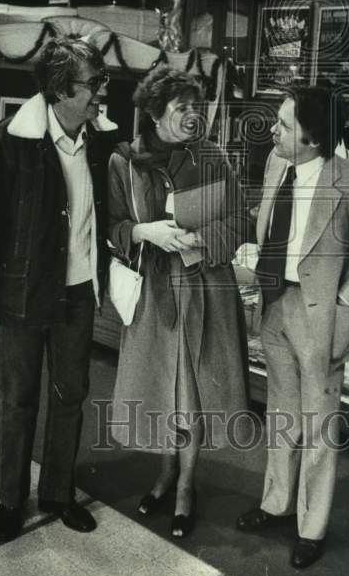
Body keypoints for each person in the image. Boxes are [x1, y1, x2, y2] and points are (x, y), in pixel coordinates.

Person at [236, 84, 349, 568]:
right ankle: (275, 503)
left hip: (320, 318)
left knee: (318, 426)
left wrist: (348, 301)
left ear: (311, 138)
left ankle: (312, 528)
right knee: (280, 416)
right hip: (275, 308)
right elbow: (273, 224)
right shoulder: (276, 164)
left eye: (285, 124)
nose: (273, 129)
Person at [0, 36, 117, 542]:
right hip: (23, 293)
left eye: (101, 82)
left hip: (76, 293)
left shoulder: (100, 142)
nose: (100, 94)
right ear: (60, 90)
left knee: (71, 393)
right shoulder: (7, 141)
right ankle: (11, 499)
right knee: (19, 399)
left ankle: (57, 491)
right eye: (93, 84)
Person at [107, 66, 251, 539]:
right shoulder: (124, 161)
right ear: (153, 113)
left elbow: (238, 222)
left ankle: (186, 484)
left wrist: (198, 240)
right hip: (153, 289)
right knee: (160, 389)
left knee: (190, 393)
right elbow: (111, 226)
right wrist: (142, 231)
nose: (195, 115)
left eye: (198, 105)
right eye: (183, 107)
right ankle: (166, 471)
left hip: (205, 288)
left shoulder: (214, 157)